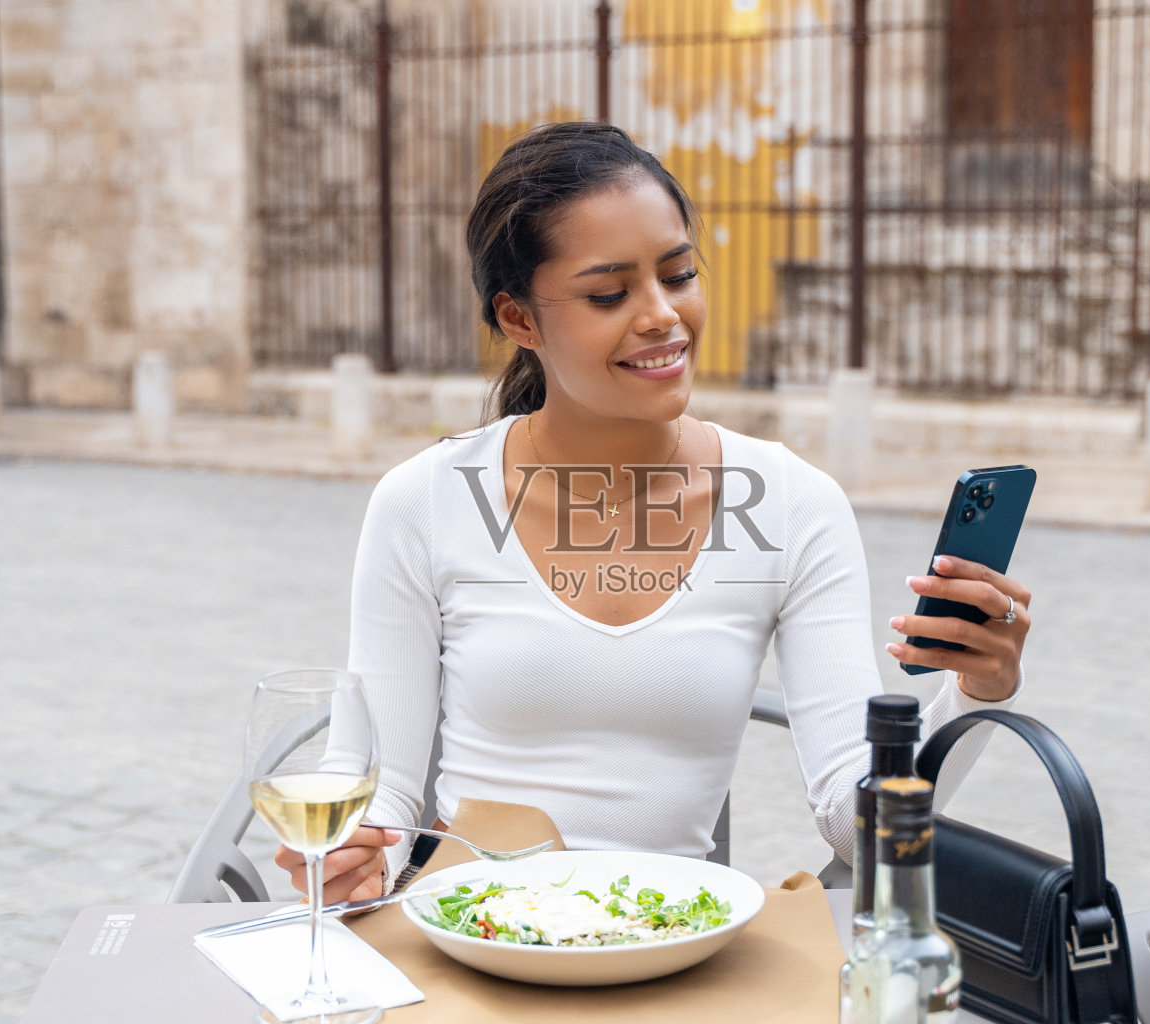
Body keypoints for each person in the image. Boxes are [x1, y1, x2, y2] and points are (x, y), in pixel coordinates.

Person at [276, 122, 1032, 903]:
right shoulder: (423, 501)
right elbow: (380, 789)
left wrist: (976, 691)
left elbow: (856, 822)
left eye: (678, 275)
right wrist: (351, 852)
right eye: (610, 294)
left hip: (674, 956)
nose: (662, 315)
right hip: (480, 942)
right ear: (519, 319)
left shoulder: (792, 505)